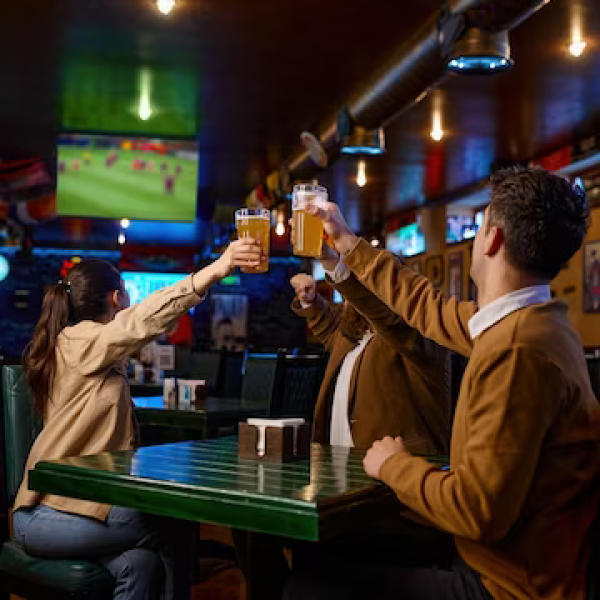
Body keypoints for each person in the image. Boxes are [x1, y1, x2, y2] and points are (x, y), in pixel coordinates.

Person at [285, 166, 600, 600]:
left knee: (308, 585)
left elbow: (478, 513)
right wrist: (346, 244)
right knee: (318, 559)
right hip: (504, 561)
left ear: (491, 239)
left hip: (506, 585)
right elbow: (425, 305)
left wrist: (393, 464)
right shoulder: (532, 323)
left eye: (481, 222)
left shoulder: (515, 351)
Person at [13, 238, 262, 600]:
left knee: (141, 564)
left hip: (80, 505)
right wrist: (214, 271)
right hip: (46, 513)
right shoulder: (81, 341)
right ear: (117, 298)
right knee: (171, 519)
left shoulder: (83, 345)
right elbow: (141, 321)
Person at [290, 245, 450, 454]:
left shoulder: (416, 335)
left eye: (358, 284)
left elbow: (389, 322)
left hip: (398, 473)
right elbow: (331, 327)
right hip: (342, 462)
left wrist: (334, 266)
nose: (349, 295)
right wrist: (312, 302)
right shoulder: (355, 334)